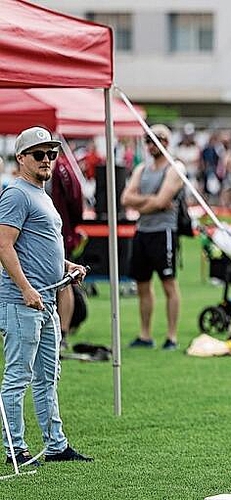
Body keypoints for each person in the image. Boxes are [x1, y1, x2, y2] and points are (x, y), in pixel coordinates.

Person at [0, 126, 92, 466]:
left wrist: (68, 266)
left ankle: (56, 445)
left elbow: (37, 247)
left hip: (47, 301)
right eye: (39, 154)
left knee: (47, 378)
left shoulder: (42, 194)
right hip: (23, 302)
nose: (47, 160)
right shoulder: (16, 193)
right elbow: (4, 245)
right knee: (18, 378)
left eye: (51, 154)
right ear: (21, 157)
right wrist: (26, 289)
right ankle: (16, 450)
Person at [120, 124, 184, 350]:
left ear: (167, 141)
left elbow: (160, 199)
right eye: (148, 140)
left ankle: (172, 336)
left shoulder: (175, 168)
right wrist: (152, 203)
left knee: (169, 284)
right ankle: (145, 335)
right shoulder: (141, 169)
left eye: (157, 139)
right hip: (143, 231)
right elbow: (126, 198)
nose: (152, 144)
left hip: (163, 232)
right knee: (142, 286)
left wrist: (143, 203)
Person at [49, 152, 85, 351]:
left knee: (64, 282)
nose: (44, 158)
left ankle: (62, 333)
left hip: (61, 236)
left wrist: (69, 230)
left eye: (48, 152)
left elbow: (75, 200)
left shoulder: (62, 169)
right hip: (43, 237)